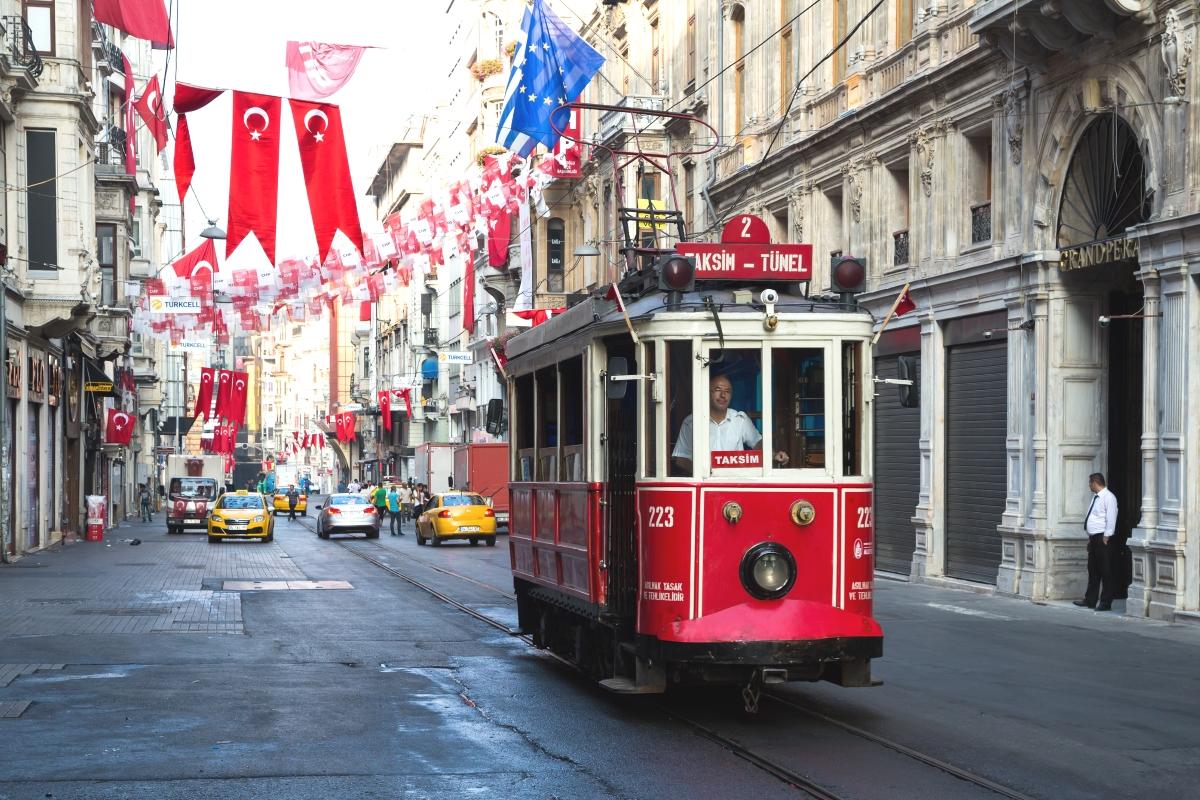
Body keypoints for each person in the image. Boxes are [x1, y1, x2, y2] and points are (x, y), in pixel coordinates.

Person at [671, 374, 790, 473]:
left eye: (727, 391)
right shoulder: (691, 422)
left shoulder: (740, 419)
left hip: (734, 482)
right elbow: (681, 458)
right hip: (704, 482)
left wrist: (774, 454)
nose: (723, 395)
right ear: (707, 393)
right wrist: (704, 472)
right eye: (718, 390)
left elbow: (758, 443)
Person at [1075, 472, 1120, 611]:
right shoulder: (1096, 497)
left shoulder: (1109, 497)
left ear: (1095, 482)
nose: (1089, 486)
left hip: (1103, 539)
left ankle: (1106, 602)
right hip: (1094, 538)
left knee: (1106, 571)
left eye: (1090, 483)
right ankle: (1090, 600)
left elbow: (1111, 517)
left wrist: (1106, 536)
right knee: (1093, 570)